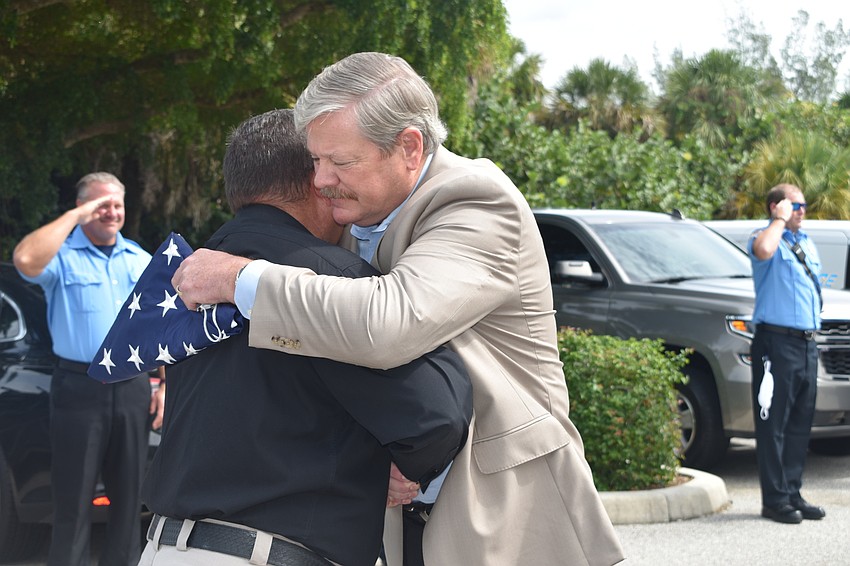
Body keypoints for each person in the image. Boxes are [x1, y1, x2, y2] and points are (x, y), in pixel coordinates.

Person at [172, 52, 624, 565]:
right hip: (396, 521)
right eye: (315, 161)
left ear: (409, 147)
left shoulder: (475, 200)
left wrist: (240, 280)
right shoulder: (353, 217)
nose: (319, 180)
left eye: (340, 162)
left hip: (505, 517)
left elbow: (388, 325)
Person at [139, 108, 472, 566]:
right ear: (317, 180)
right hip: (265, 553)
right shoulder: (330, 280)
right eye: (330, 164)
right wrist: (404, 469)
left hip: (163, 548)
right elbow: (435, 413)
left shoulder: (189, 276)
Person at [12, 172, 165, 566]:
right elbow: (24, 259)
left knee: (130, 502)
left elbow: (159, 325)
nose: (111, 212)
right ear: (82, 208)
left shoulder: (139, 259)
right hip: (79, 388)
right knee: (72, 500)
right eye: (101, 205)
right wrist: (74, 217)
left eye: (117, 204)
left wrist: (164, 384)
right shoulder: (62, 257)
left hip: (132, 387)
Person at [748, 183, 826, 524]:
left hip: (806, 344)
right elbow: (764, 250)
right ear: (775, 207)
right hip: (776, 343)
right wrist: (778, 221)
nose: (802, 210)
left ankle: (793, 493)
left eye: (803, 205)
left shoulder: (805, 242)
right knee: (774, 423)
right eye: (794, 205)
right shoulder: (766, 238)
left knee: (799, 424)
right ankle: (775, 500)